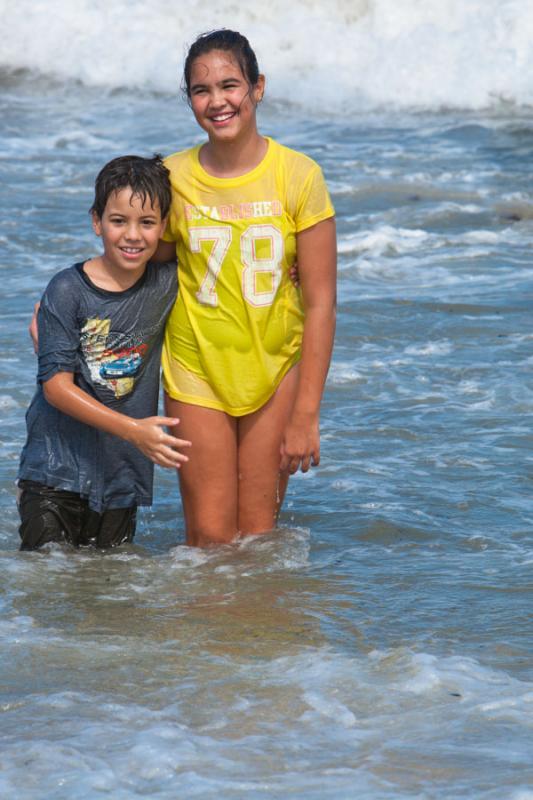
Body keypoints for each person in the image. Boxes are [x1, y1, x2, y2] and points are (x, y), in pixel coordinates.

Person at [154, 29, 337, 547]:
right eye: (200, 90)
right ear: (189, 99)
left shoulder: (298, 175)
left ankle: (259, 632)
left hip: (275, 369)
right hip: (197, 369)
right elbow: (141, 260)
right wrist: (66, 302)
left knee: (258, 539)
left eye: (229, 85)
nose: (217, 101)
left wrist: (306, 414)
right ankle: (209, 631)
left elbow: (321, 301)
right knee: (210, 538)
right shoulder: (172, 176)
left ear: (257, 87)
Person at [18, 155, 190, 550]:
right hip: (53, 474)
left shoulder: (165, 284)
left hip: (119, 479)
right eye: (118, 221)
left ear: (163, 227)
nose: (133, 235)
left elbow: (224, 266)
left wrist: (291, 268)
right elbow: (56, 389)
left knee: (107, 599)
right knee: (49, 590)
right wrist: (136, 431)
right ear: (96, 221)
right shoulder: (67, 289)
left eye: (147, 223)